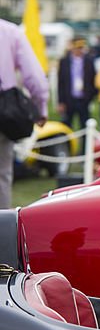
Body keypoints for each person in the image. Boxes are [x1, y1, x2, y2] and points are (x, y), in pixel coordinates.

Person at [0, 18, 48, 208]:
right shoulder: (10, 32)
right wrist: (40, 107)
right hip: (4, 110)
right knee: (2, 175)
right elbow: (34, 77)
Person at [57, 37, 97, 130]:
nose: (80, 50)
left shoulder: (89, 61)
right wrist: (61, 102)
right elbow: (61, 82)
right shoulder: (65, 61)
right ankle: (68, 144)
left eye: (81, 48)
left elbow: (93, 79)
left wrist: (90, 96)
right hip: (69, 99)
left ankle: (84, 144)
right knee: (67, 125)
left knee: (84, 125)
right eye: (77, 48)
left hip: (83, 99)